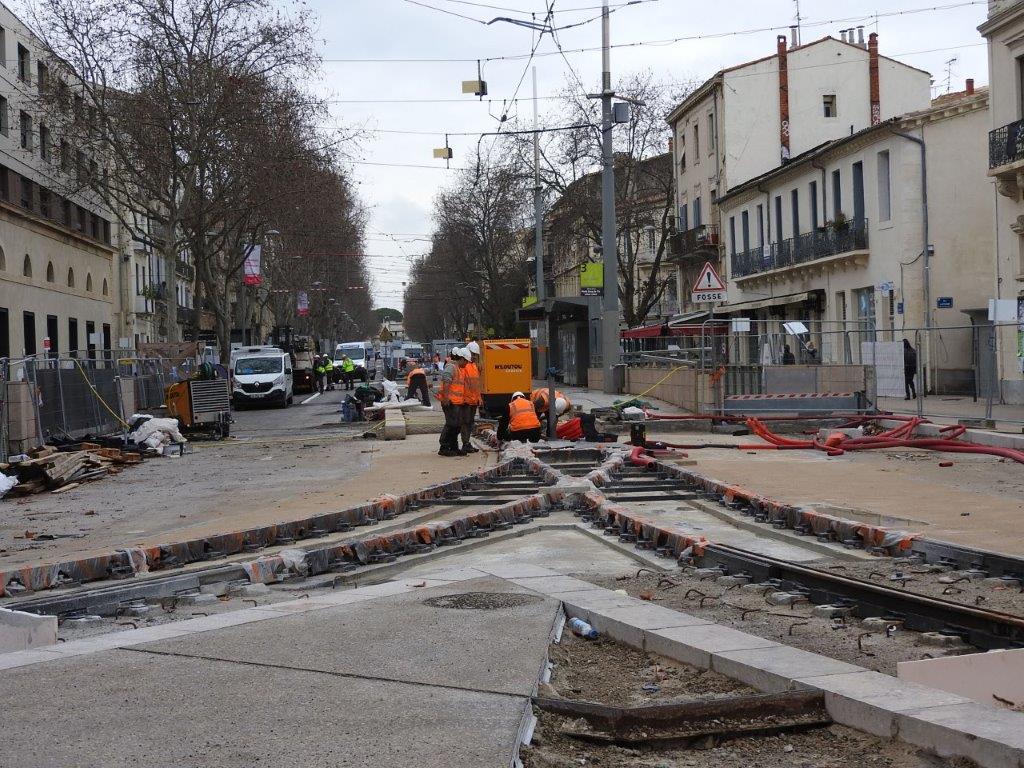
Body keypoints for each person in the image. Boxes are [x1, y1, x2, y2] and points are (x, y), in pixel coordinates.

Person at [437, 347, 469, 457]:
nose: (467, 364)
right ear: (462, 359)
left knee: (457, 425)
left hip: (456, 402)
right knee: (451, 425)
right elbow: (446, 382)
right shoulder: (451, 367)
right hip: (450, 402)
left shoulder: (458, 368)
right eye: (466, 361)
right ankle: (444, 447)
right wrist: (446, 398)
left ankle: (453, 447)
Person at [459, 341, 482, 454]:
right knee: (465, 422)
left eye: (476, 355)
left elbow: (476, 385)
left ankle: (467, 443)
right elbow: (461, 384)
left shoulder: (474, 366)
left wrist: (479, 398)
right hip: (466, 400)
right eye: (473, 354)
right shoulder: (464, 366)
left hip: (473, 400)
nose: (474, 356)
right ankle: (465, 443)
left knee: (470, 422)